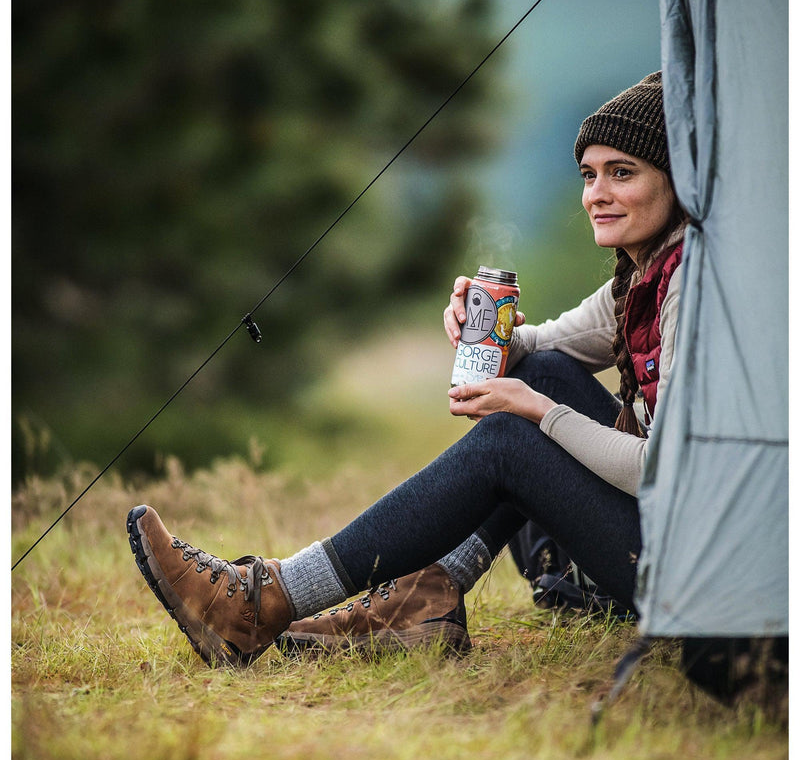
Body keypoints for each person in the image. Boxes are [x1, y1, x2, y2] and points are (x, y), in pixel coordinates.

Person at [127, 71, 688, 668]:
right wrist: (487, 331)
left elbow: (668, 468)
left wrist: (539, 412)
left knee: (512, 433)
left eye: (621, 173)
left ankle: (262, 600)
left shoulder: (693, 290)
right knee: (544, 371)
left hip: (692, 574)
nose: (595, 194)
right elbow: (542, 350)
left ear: (676, 180)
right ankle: (424, 601)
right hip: (666, 541)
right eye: (588, 174)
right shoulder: (644, 279)